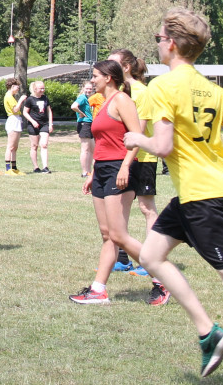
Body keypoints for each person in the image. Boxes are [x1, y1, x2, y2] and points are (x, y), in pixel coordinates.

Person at [125, 9, 223, 378]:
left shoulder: (165, 86)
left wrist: (137, 138)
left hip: (200, 195)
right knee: (151, 254)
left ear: (174, 44)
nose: (158, 44)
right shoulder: (213, 89)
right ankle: (208, 332)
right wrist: (213, 155)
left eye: (159, 39)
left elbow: (161, 146)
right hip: (200, 191)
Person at [69, 60, 167, 304]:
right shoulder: (102, 104)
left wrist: (125, 166)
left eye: (95, 76)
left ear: (108, 78)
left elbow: (136, 137)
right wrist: (92, 173)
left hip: (118, 168)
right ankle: (98, 290)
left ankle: (163, 280)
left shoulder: (122, 100)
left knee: (119, 235)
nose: (92, 80)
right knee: (107, 234)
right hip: (101, 169)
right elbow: (101, 143)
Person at [108, 48, 163, 304]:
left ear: (127, 68)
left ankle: (152, 257)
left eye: (115, 63)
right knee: (122, 205)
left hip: (143, 159)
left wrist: (127, 160)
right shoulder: (122, 93)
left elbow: (139, 131)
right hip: (125, 158)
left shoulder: (141, 91)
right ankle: (122, 257)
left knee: (146, 207)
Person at [19, 80, 53, 173]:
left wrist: (50, 124)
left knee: (44, 144)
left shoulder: (45, 98)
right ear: (35, 89)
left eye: (43, 88)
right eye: (40, 88)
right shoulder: (30, 99)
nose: (42, 90)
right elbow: (25, 112)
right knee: (34, 146)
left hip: (44, 123)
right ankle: (36, 167)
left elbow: (49, 111)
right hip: (33, 124)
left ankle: (45, 167)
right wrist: (33, 121)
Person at [72, 81, 94, 178]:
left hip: (90, 124)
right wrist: (81, 113)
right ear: (83, 88)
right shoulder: (82, 97)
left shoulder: (87, 98)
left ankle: (89, 171)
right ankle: (84, 171)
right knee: (85, 149)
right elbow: (73, 106)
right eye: (87, 88)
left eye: (90, 88)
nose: (89, 90)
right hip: (84, 124)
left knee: (91, 149)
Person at [3, 77, 23, 175]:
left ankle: (14, 167)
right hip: (13, 120)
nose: (18, 88)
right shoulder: (9, 96)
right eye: (16, 86)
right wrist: (21, 100)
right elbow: (15, 110)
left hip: (17, 120)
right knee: (10, 145)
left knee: (15, 146)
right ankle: (7, 168)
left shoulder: (12, 96)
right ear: (11, 86)